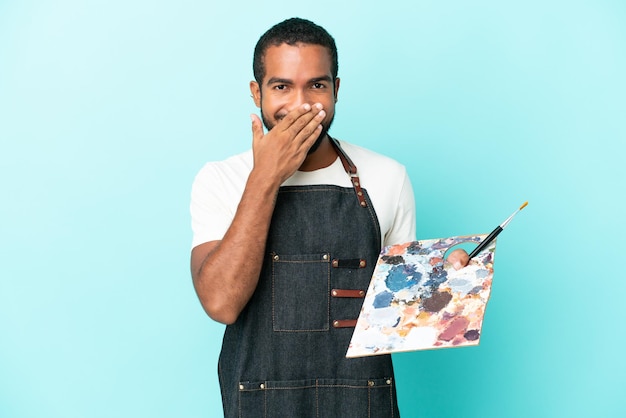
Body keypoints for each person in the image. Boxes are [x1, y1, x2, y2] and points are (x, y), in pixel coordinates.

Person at [190, 17, 468, 417]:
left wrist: (450, 282)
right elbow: (221, 304)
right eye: (281, 86)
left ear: (336, 89)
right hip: (260, 403)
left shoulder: (387, 177)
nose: (301, 105)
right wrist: (265, 178)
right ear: (257, 93)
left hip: (361, 400)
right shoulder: (221, 179)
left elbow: (398, 317)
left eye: (317, 85)